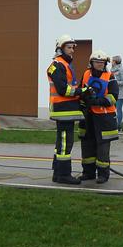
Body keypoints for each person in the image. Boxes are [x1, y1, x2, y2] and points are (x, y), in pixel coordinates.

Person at [47, 34, 85, 184]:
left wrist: (81, 91)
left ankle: (57, 173)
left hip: (66, 109)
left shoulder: (64, 64)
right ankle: (63, 175)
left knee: (62, 142)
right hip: (62, 109)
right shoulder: (58, 65)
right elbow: (63, 90)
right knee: (65, 143)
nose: (72, 50)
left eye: (73, 48)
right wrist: (80, 91)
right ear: (60, 49)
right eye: (69, 47)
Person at [79, 50, 120, 184]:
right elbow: (81, 89)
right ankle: (88, 173)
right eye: (97, 62)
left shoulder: (110, 76)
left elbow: (113, 96)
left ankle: (103, 174)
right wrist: (84, 99)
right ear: (91, 63)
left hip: (104, 118)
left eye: (102, 62)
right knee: (87, 144)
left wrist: (97, 101)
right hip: (88, 116)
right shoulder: (86, 74)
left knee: (102, 147)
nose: (99, 64)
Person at [110, 55, 123, 130]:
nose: (111, 62)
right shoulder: (111, 70)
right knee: (112, 109)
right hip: (112, 93)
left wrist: (115, 82)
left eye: (112, 60)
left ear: (115, 61)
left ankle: (119, 126)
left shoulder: (122, 70)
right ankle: (113, 124)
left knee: (118, 109)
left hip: (120, 94)